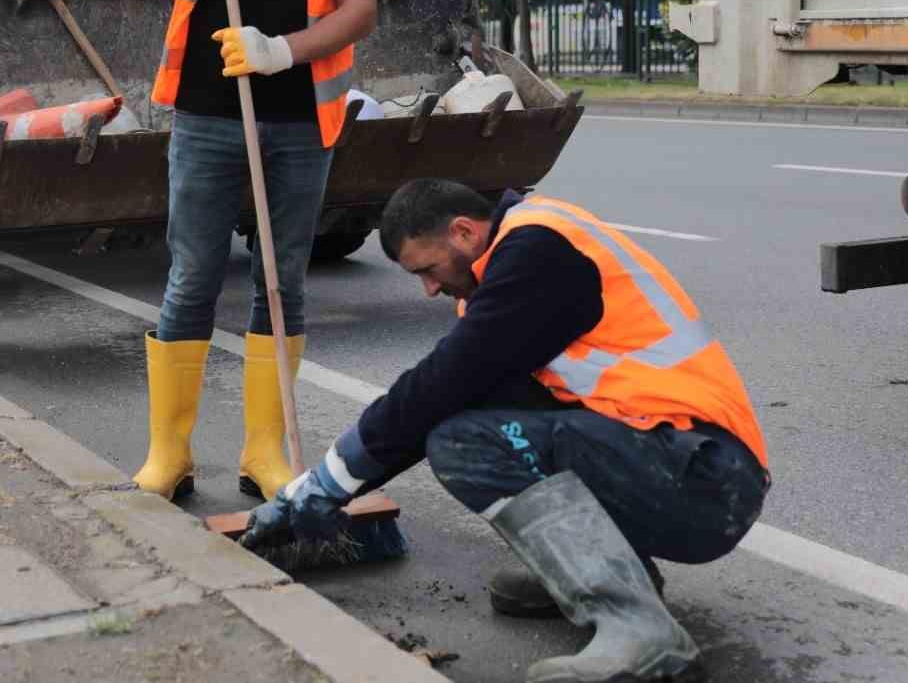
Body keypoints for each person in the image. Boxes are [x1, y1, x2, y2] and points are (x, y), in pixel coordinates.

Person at [243, 179, 770, 683]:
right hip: (675, 458)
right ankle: (616, 568)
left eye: (427, 269)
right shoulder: (519, 263)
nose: (429, 289)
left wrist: (325, 484)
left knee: (464, 444)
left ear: (465, 232)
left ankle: (638, 627)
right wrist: (323, 489)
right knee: (471, 421)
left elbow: (439, 384)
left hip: (704, 475)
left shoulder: (538, 252)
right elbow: (448, 398)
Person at [123, 0, 381, 503]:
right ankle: (169, 455)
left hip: (302, 116)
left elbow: (359, 8)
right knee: (192, 276)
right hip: (207, 111)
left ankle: (265, 454)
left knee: (282, 282)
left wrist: (280, 53)